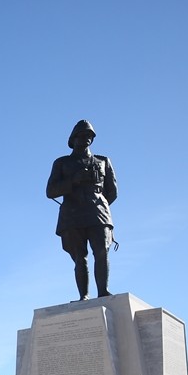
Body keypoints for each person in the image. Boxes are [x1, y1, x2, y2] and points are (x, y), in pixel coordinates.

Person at [45, 119, 118, 300]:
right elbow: (50, 191)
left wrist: (97, 202)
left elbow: (113, 192)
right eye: (82, 135)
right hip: (72, 214)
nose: (86, 139)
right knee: (80, 256)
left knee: (101, 251)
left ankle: (103, 292)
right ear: (73, 138)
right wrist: (74, 181)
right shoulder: (62, 163)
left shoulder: (103, 161)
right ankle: (84, 296)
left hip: (98, 212)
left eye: (90, 136)